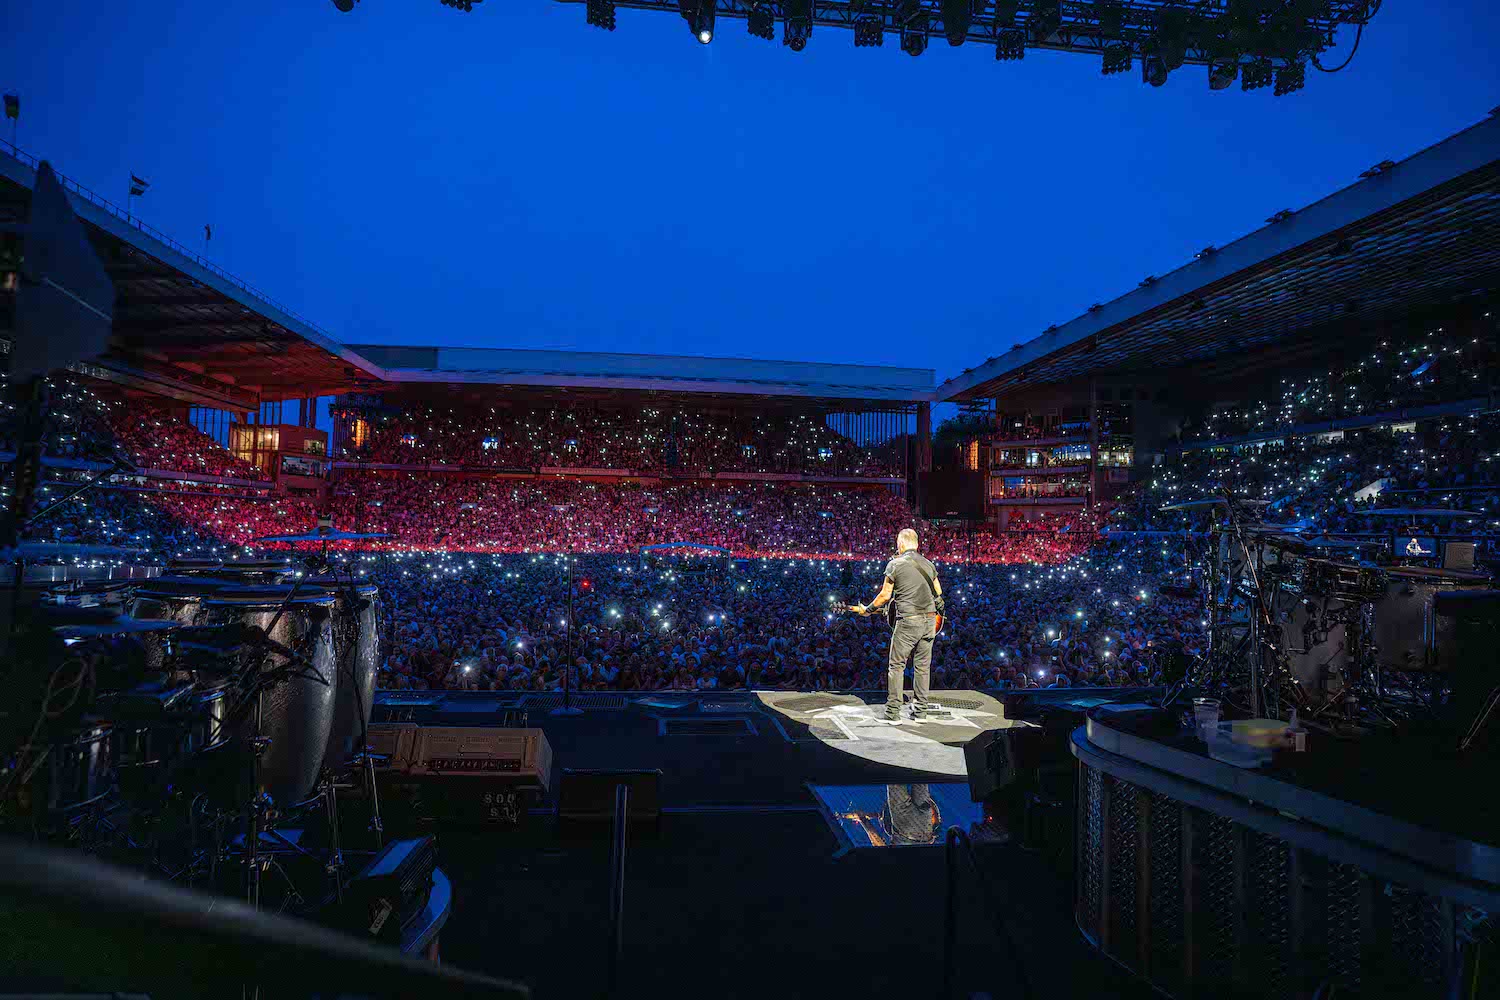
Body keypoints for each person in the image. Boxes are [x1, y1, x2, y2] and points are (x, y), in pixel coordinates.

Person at [855, 527, 945, 721]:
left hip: (908, 622)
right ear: (917, 544)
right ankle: (921, 711)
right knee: (922, 667)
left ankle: (893, 712)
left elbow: (885, 595)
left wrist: (868, 610)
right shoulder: (929, 564)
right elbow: (938, 592)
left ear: (901, 544)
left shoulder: (895, 564)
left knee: (896, 666)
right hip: (930, 621)